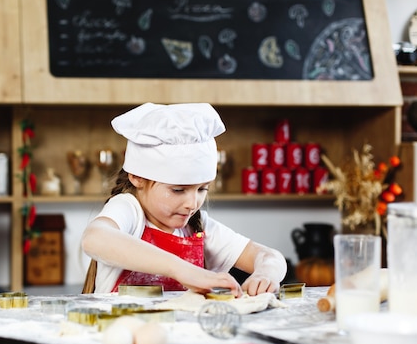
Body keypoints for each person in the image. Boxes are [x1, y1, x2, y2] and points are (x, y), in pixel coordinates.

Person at [81, 102, 287, 295]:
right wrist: (181, 269)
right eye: (178, 190)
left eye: (202, 189)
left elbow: (271, 256)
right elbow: (94, 238)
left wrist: (265, 274)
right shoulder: (129, 210)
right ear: (137, 177)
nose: (192, 204)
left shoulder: (197, 226)